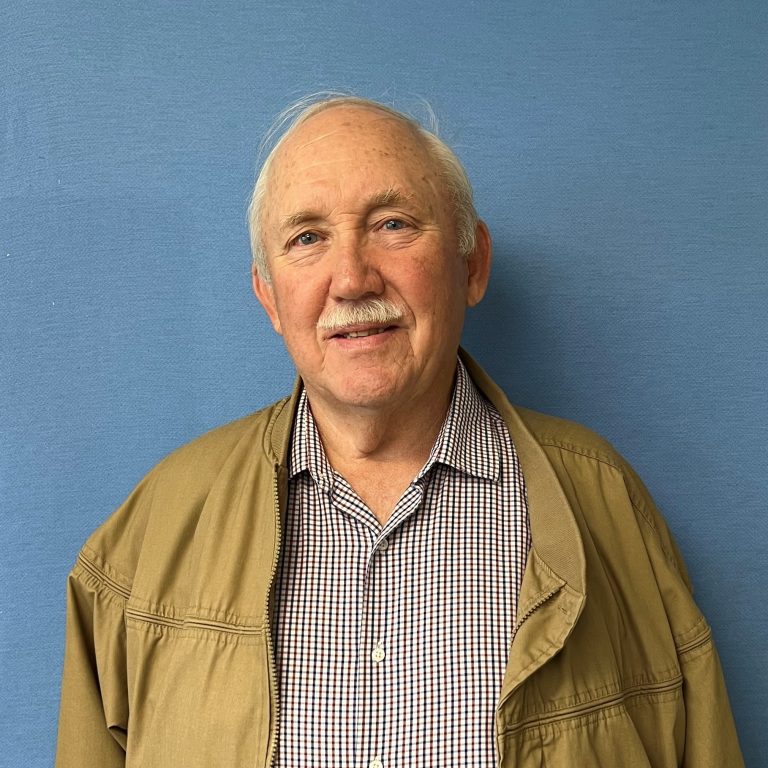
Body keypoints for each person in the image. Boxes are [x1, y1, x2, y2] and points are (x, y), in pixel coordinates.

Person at [55, 95, 744, 768]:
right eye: (307, 238)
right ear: (269, 297)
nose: (352, 279)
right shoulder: (151, 533)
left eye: (392, 224)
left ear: (472, 265)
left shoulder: (607, 505)